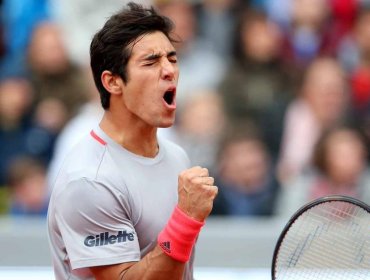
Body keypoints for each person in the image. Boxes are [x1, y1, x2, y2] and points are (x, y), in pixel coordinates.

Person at [47, 3, 218, 280]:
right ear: (113, 82)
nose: (169, 70)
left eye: (172, 59)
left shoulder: (177, 156)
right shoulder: (89, 180)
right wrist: (185, 219)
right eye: (151, 62)